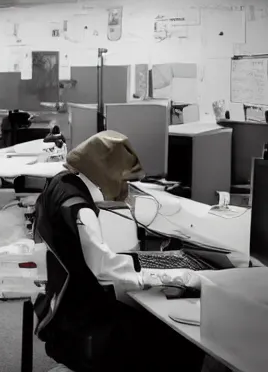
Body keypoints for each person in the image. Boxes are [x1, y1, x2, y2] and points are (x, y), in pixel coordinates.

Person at [34, 130, 207, 372]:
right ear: (104, 172)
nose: (125, 188)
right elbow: (105, 270)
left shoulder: (62, 182)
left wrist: (140, 263)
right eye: (124, 180)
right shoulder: (80, 209)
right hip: (82, 322)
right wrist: (173, 276)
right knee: (182, 340)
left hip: (67, 310)